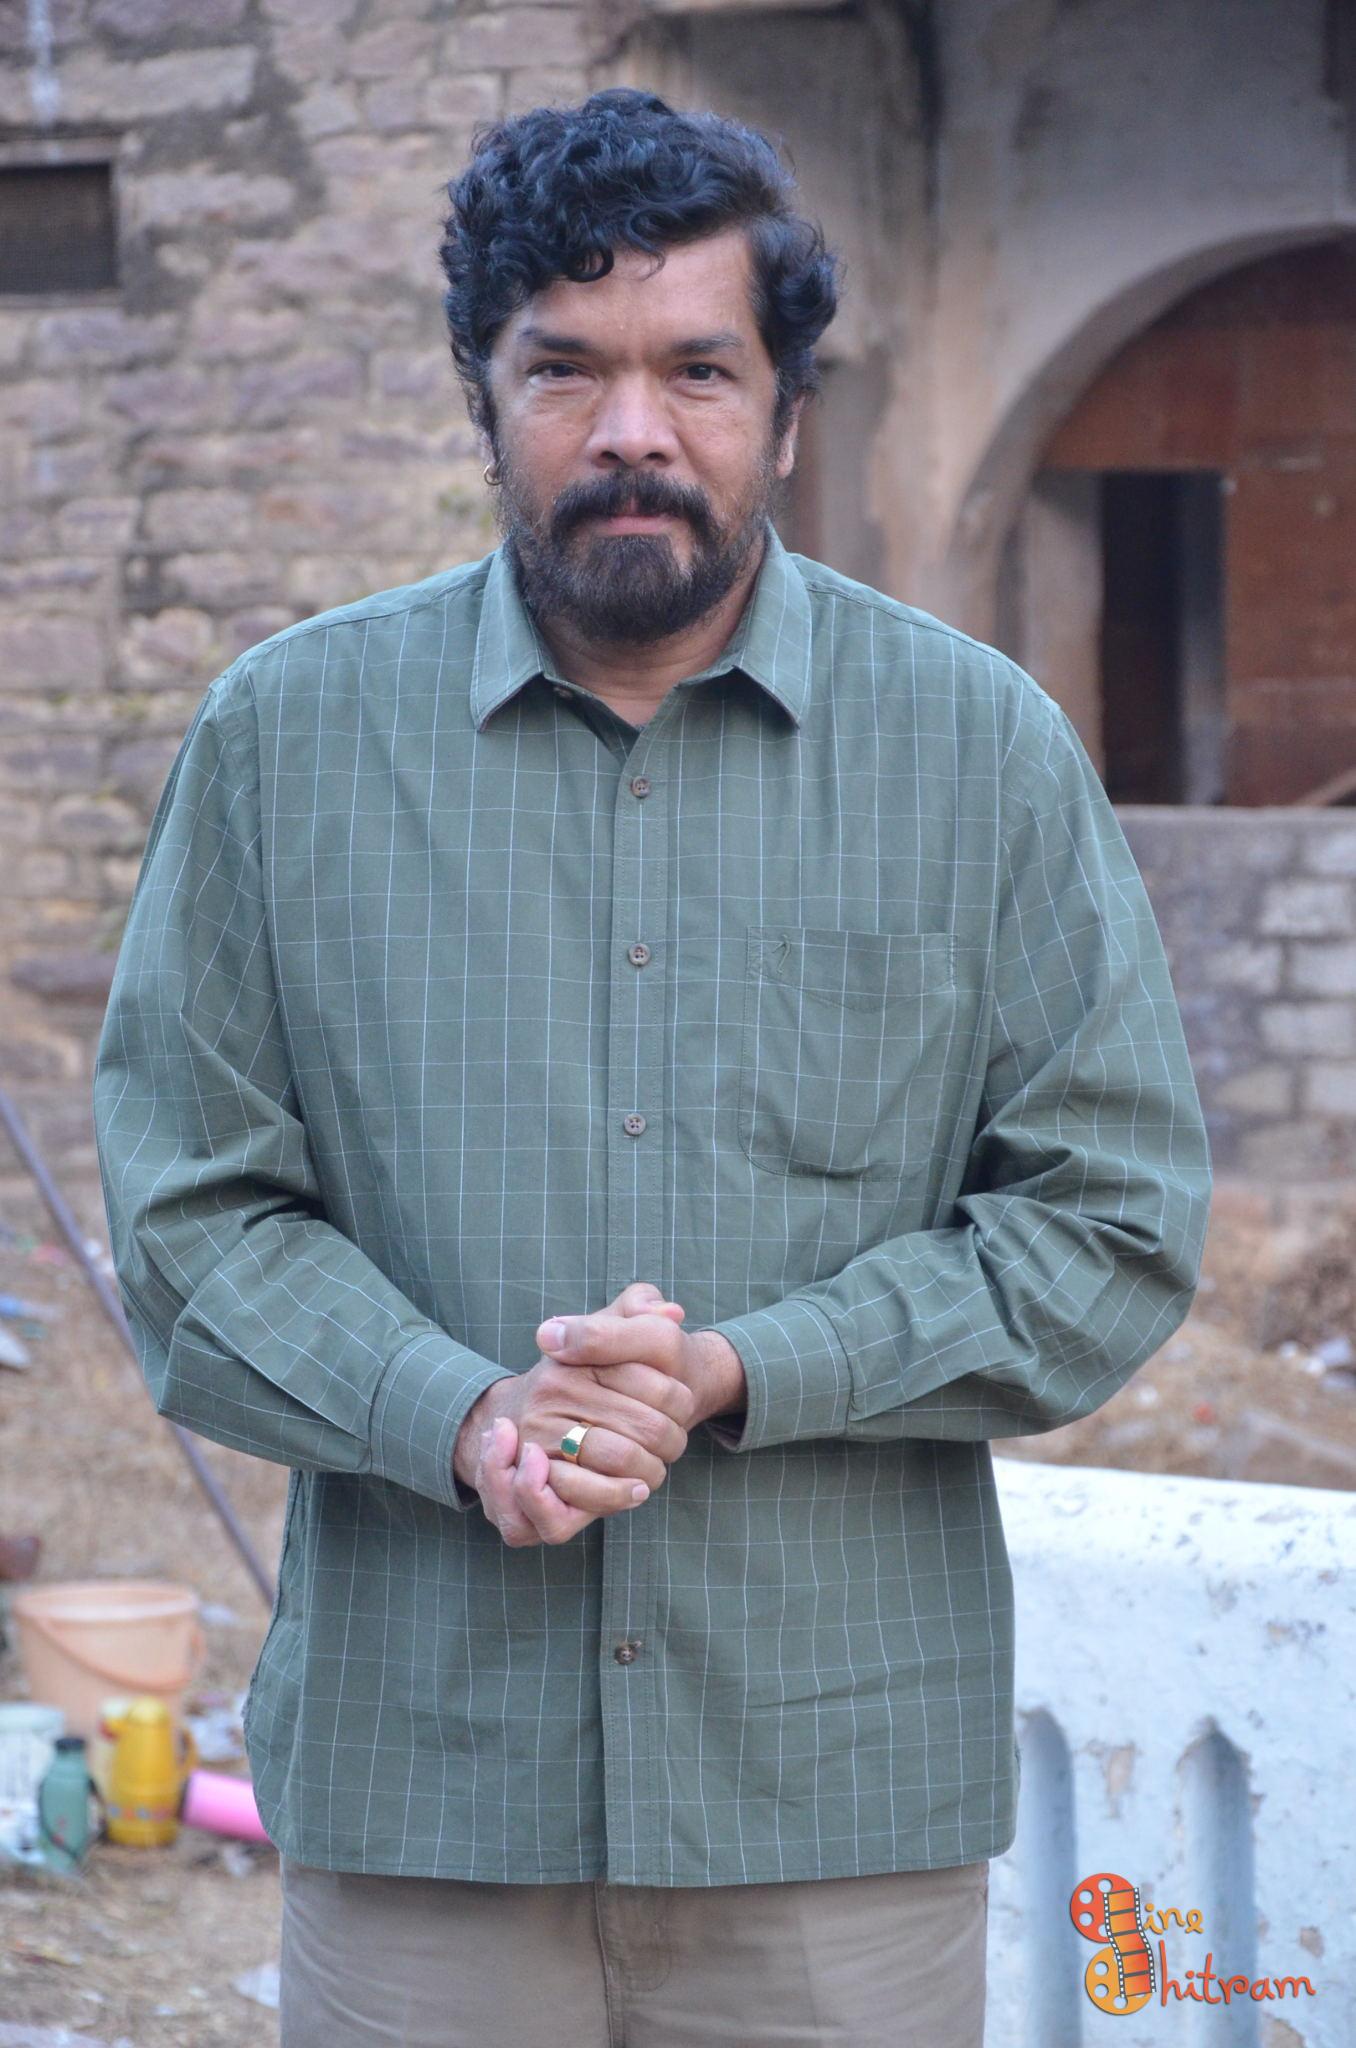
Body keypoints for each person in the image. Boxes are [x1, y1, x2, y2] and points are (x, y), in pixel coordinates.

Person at [94, 89, 1211, 2047]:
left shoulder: (980, 753)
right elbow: (192, 1224)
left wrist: (753, 1366)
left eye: (698, 369)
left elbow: (1110, 1224)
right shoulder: (285, 743)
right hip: (427, 1807)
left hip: (833, 1820)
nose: (633, 430)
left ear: (786, 415)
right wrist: (461, 1413)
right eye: (566, 370)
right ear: (483, 395)